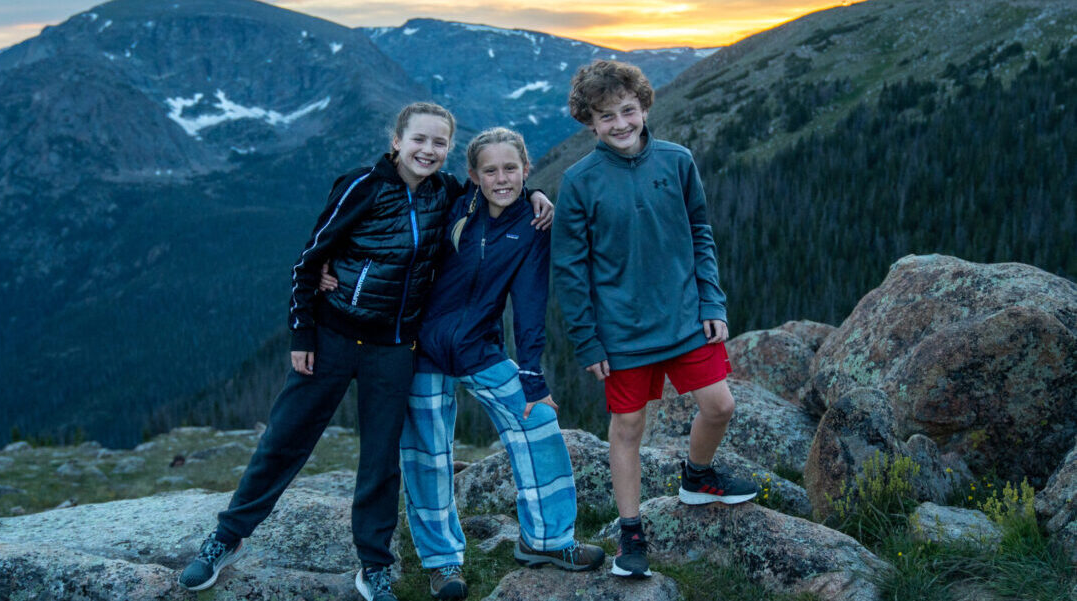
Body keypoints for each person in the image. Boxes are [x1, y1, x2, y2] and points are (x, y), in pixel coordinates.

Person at [177, 102, 553, 601]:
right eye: (419, 139)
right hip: (333, 338)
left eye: (439, 143)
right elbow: (308, 260)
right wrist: (302, 333)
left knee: (380, 461)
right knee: (285, 441)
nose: (428, 150)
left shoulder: (449, 194)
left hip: (395, 348)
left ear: (448, 152)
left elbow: (495, 192)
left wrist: (535, 195)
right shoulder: (362, 185)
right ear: (396, 140)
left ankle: (373, 565)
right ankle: (226, 538)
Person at [551, 60, 758, 579]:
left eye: (627, 110)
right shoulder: (578, 182)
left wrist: (712, 302)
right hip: (621, 331)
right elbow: (570, 272)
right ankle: (632, 534)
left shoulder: (678, 160)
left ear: (643, 106)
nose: (620, 123)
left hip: (686, 316)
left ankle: (698, 475)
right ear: (588, 122)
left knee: (720, 405)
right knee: (628, 427)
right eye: (605, 116)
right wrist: (588, 341)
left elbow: (700, 232)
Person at [386, 128, 606, 599]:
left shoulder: (533, 226)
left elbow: (528, 305)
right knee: (428, 455)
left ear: (527, 170)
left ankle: (547, 540)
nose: (501, 178)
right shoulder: (451, 202)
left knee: (538, 420)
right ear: (473, 175)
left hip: (478, 349)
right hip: (420, 349)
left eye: (511, 169)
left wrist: (531, 376)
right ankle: (443, 563)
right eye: (490, 170)